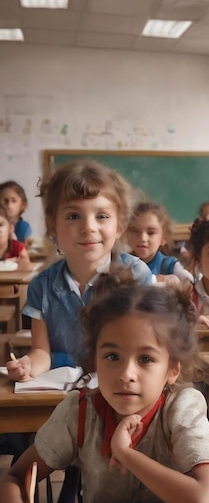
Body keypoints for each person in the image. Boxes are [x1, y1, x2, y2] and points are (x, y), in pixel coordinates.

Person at [0, 276, 209, 503]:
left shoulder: (182, 407)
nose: (126, 375)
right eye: (112, 357)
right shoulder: (80, 412)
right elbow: (15, 478)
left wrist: (126, 453)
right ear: (95, 359)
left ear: (172, 370)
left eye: (145, 359)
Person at [6, 160, 153, 382]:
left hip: (118, 390)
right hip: (60, 394)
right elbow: (41, 353)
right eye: (74, 216)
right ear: (52, 226)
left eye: (101, 216)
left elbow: (144, 349)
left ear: (120, 225)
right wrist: (28, 365)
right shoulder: (42, 286)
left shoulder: (137, 275)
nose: (88, 227)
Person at [126, 201, 193, 283]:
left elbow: (191, 285)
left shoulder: (170, 266)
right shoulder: (120, 264)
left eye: (151, 233)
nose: (143, 238)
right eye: (135, 231)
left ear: (163, 238)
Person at [0, 180, 32, 244]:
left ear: (23, 205)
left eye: (14, 201)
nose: (9, 205)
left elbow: (25, 250)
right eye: (6, 201)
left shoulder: (24, 227)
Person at [0, 204, 32, 270]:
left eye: (0, 225)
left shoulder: (18, 247)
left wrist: (24, 260)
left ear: (10, 228)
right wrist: (6, 262)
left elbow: (27, 269)